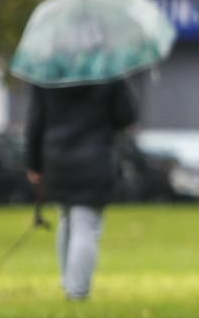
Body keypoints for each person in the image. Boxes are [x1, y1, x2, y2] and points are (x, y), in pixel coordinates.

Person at [26, 79, 138, 300]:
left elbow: (35, 122)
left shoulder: (48, 72)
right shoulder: (107, 71)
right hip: (95, 159)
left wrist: (34, 163)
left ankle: (69, 283)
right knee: (86, 225)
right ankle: (77, 291)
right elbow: (127, 116)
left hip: (56, 159)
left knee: (66, 218)